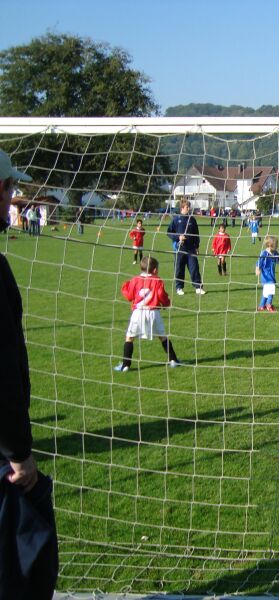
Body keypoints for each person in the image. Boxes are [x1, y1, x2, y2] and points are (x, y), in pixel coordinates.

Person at [0, 149, 59, 600]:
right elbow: (2, 371)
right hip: (5, 463)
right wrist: (18, 451)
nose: (13, 197)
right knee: (19, 573)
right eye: (7, 188)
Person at [113, 256, 182, 372]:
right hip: (153, 313)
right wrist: (166, 304)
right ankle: (173, 360)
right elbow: (161, 295)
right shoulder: (157, 280)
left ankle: (125, 365)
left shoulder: (135, 280)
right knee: (162, 337)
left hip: (138, 312)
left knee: (129, 337)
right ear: (155, 270)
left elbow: (129, 296)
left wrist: (124, 287)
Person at [166, 199, 205, 295]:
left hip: (191, 249)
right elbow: (169, 232)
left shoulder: (192, 219)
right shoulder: (176, 220)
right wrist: (178, 237)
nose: (189, 209)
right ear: (182, 208)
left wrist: (197, 246)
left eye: (189, 207)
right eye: (187, 207)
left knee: (194, 267)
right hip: (180, 249)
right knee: (179, 268)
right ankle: (179, 287)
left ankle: (198, 287)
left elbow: (196, 234)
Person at [256, 235, 279, 312]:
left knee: (266, 293)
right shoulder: (264, 253)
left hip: (271, 275)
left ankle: (261, 306)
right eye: (276, 245)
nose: (277, 246)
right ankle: (269, 305)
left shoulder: (275, 253)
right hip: (266, 276)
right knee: (271, 290)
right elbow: (259, 262)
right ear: (270, 246)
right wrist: (257, 269)